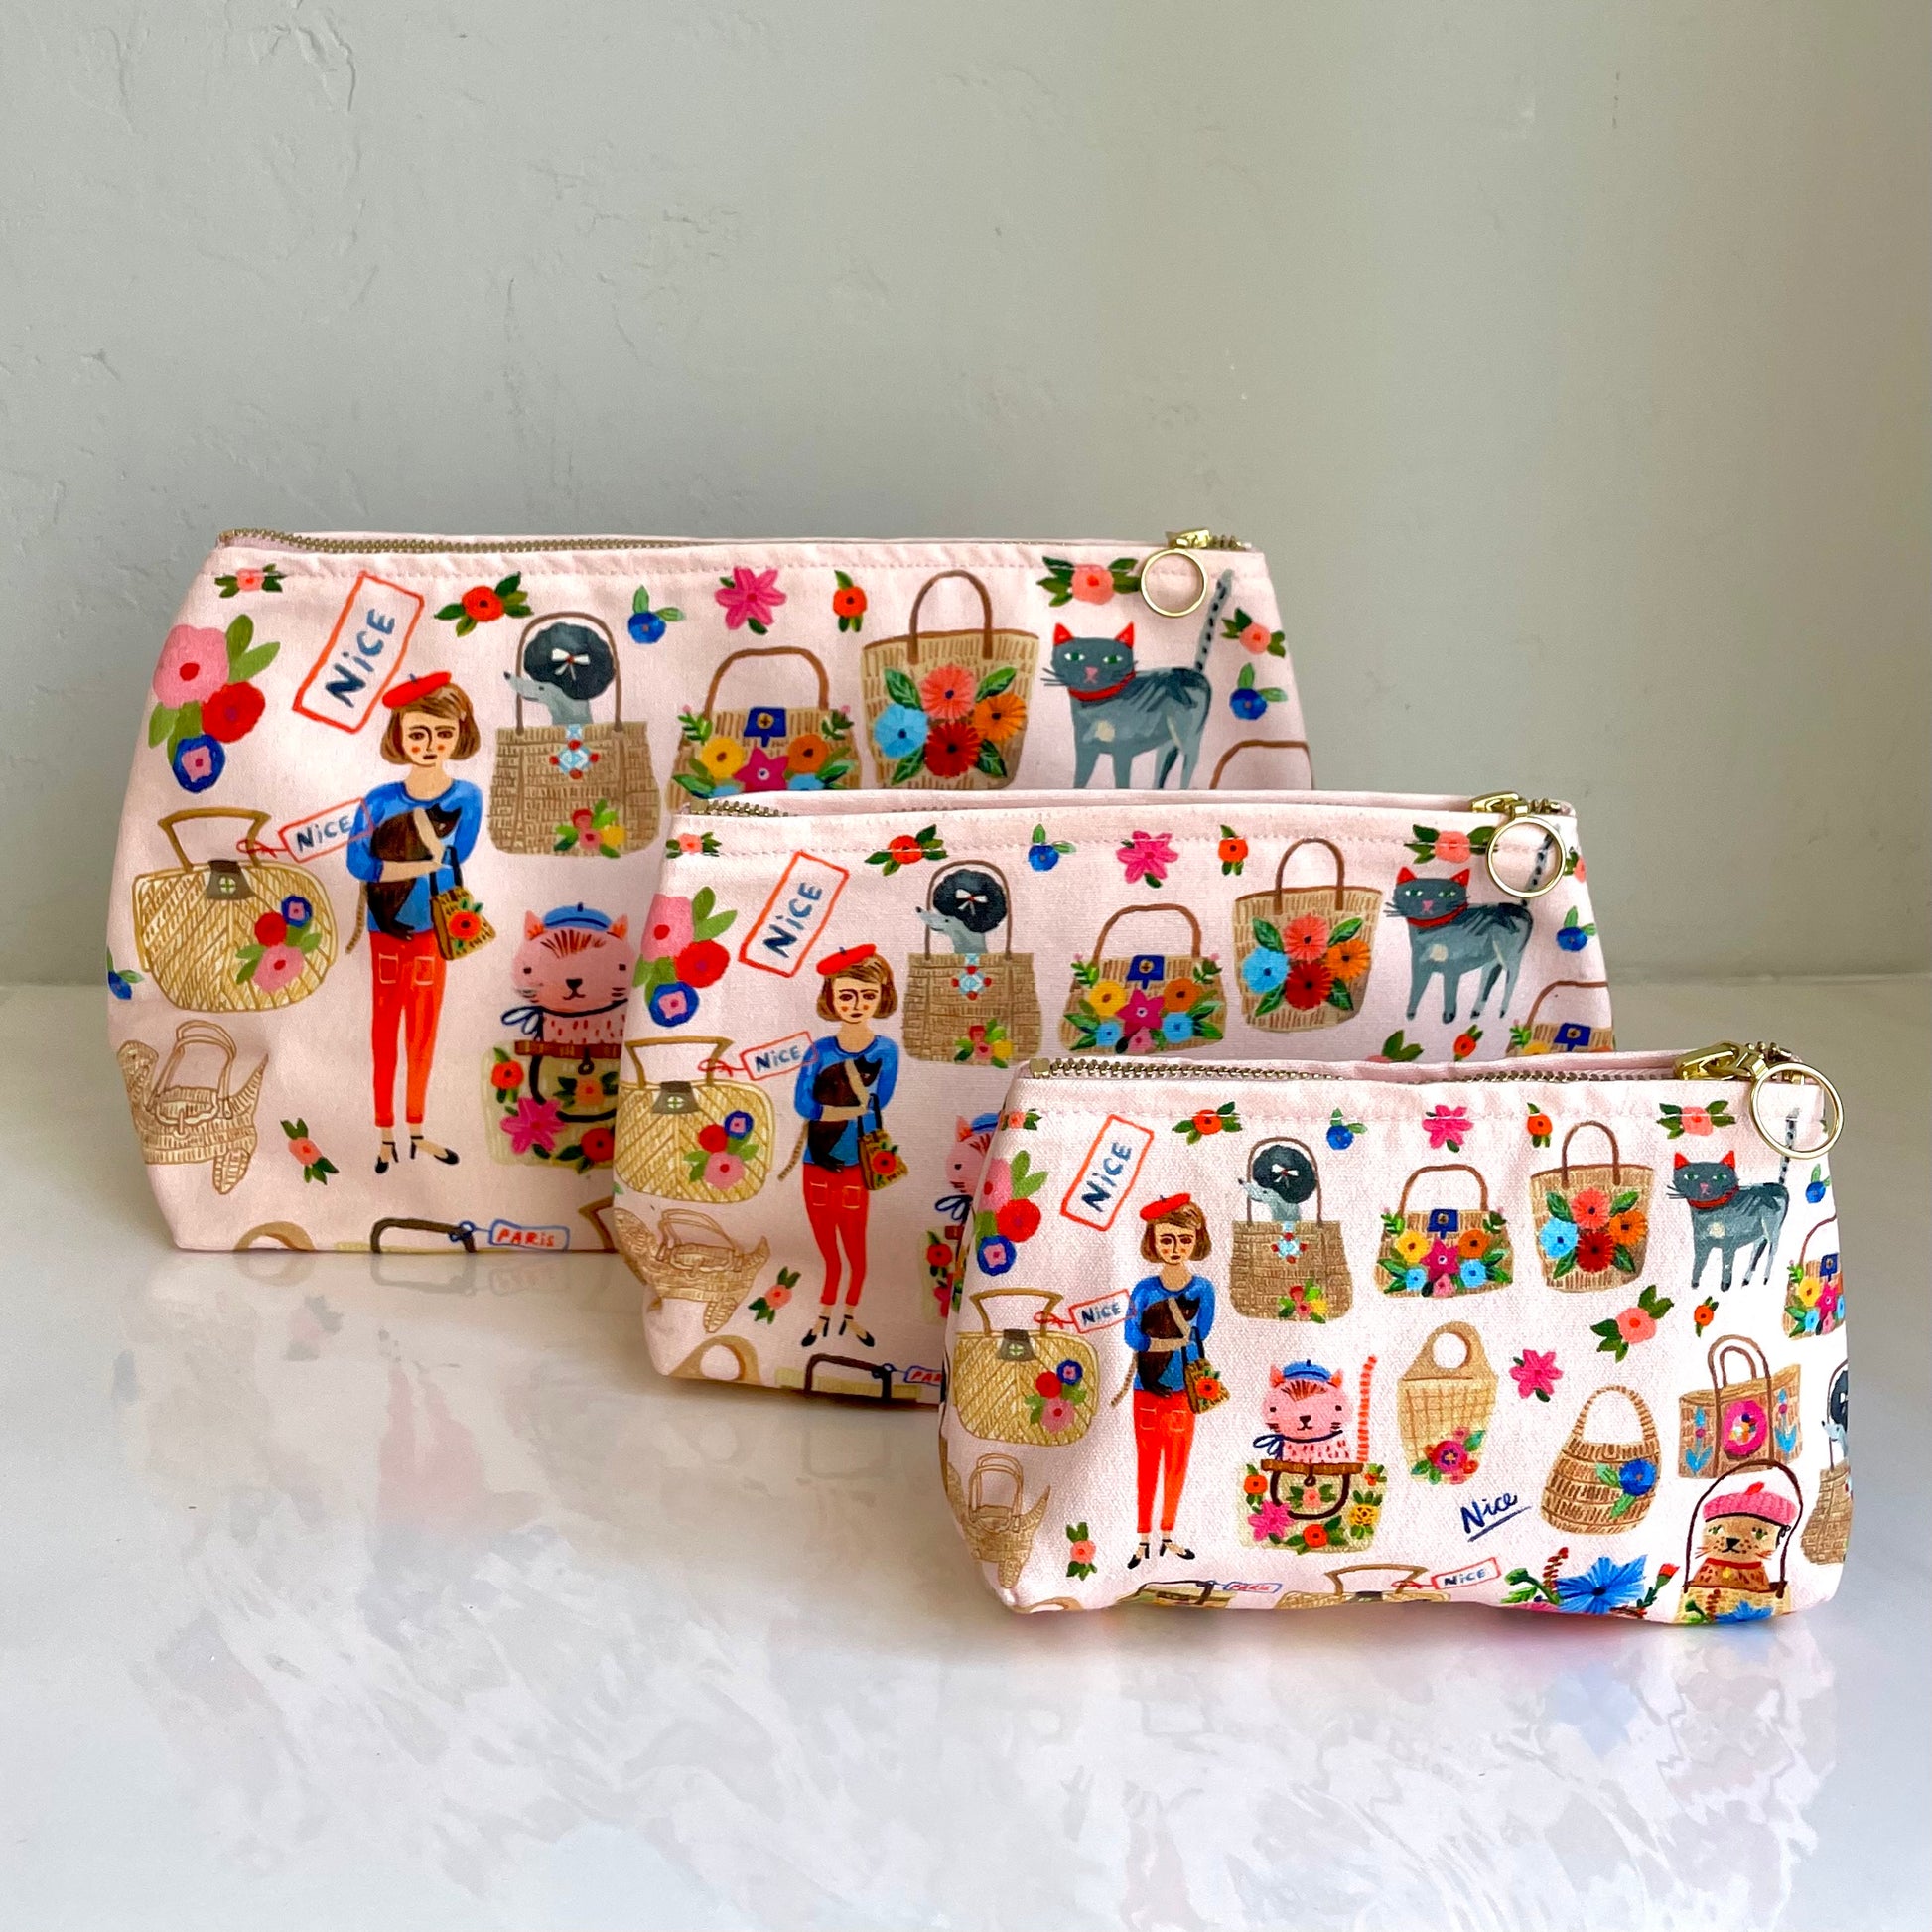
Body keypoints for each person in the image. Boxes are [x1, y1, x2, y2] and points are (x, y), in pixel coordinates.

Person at [345, 672, 483, 1173]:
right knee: (384, 1032)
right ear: (399, 736)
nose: (429, 744)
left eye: (442, 733)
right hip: (385, 930)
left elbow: (460, 853)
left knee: (423, 1032)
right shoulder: (379, 800)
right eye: (418, 733)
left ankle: (417, 1128)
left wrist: (415, 866)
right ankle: (385, 1132)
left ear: (459, 734)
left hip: (434, 931)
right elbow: (357, 863)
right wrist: (416, 866)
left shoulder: (467, 797)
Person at [791, 944, 900, 1348]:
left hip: (858, 1162)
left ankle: (850, 1314)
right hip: (816, 1162)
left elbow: (881, 1099)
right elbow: (802, 1104)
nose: (856, 1005)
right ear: (832, 997)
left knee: (856, 1248)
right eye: (847, 995)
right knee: (827, 1250)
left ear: (881, 997)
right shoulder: (818, 1051)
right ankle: (822, 1315)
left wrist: (837, 1110)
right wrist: (843, 1110)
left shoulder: (886, 1051)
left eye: (867, 995)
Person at [1122, 1193, 1217, 1566]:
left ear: (1196, 1241)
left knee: (1177, 1463)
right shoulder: (1144, 1289)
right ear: (1153, 1242)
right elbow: (1131, 1335)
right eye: (1166, 1239)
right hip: (1147, 1388)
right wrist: (1165, 1342)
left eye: (1184, 1240)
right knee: (1146, 1463)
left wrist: (1158, 1340)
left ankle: (1168, 1534)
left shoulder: (1204, 1289)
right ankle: (1142, 1537)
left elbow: (1204, 1329)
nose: (1175, 1248)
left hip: (1185, 1389)